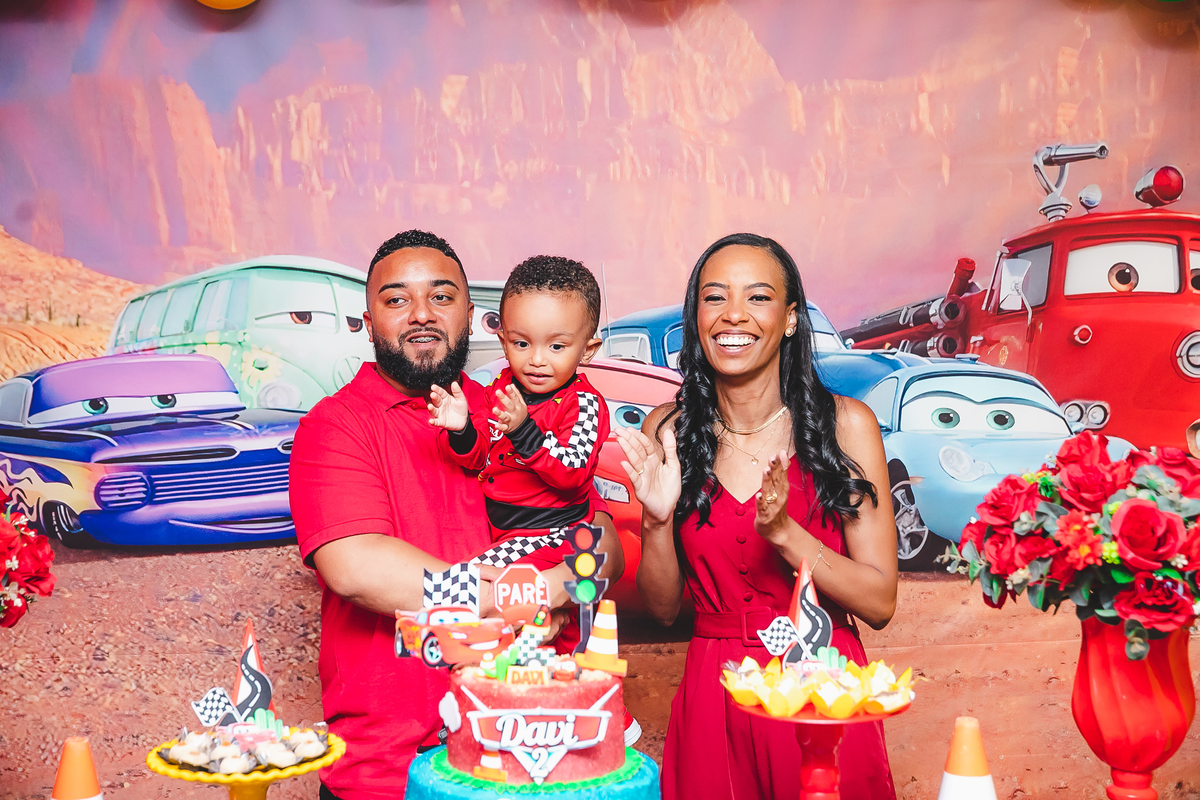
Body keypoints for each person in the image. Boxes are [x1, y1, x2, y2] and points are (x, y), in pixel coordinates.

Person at [288, 230, 624, 800]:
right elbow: (357, 568)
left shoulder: (511, 410)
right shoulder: (336, 426)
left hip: (521, 749)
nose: (421, 313)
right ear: (368, 321)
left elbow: (600, 538)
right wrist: (536, 593)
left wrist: (575, 578)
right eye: (397, 299)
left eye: (441, 296)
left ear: (471, 317)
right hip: (389, 771)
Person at [616, 233, 899, 800]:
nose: (734, 314)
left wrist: (786, 535)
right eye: (715, 297)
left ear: (790, 318)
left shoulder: (846, 425)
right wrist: (656, 521)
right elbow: (663, 610)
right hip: (714, 692)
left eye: (758, 297)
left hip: (821, 686)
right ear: (696, 317)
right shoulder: (668, 430)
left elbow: (879, 603)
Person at [428, 255, 609, 656]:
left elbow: (574, 470)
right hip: (510, 533)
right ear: (504, 341)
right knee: (513, 619)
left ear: (588, 349)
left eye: (557, 346)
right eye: (522, 343)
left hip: (553, 535)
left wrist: (525, 430)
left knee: (466, 586)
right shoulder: (502, 388)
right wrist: (462, 429)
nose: (537, 359)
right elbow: (481, 458)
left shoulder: (583, 404)